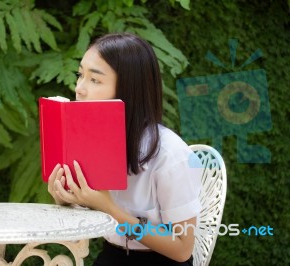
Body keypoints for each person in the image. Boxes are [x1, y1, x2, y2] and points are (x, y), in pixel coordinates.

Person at [47, 32, 202, 266]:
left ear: (129, 88)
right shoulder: (89, 142)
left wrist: (110, 209)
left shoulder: (171, 156)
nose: (79, 88)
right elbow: (93, 214)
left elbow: (182, 249)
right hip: (112, 256)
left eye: (95, 80)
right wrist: (69, 200)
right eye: (80, 75)